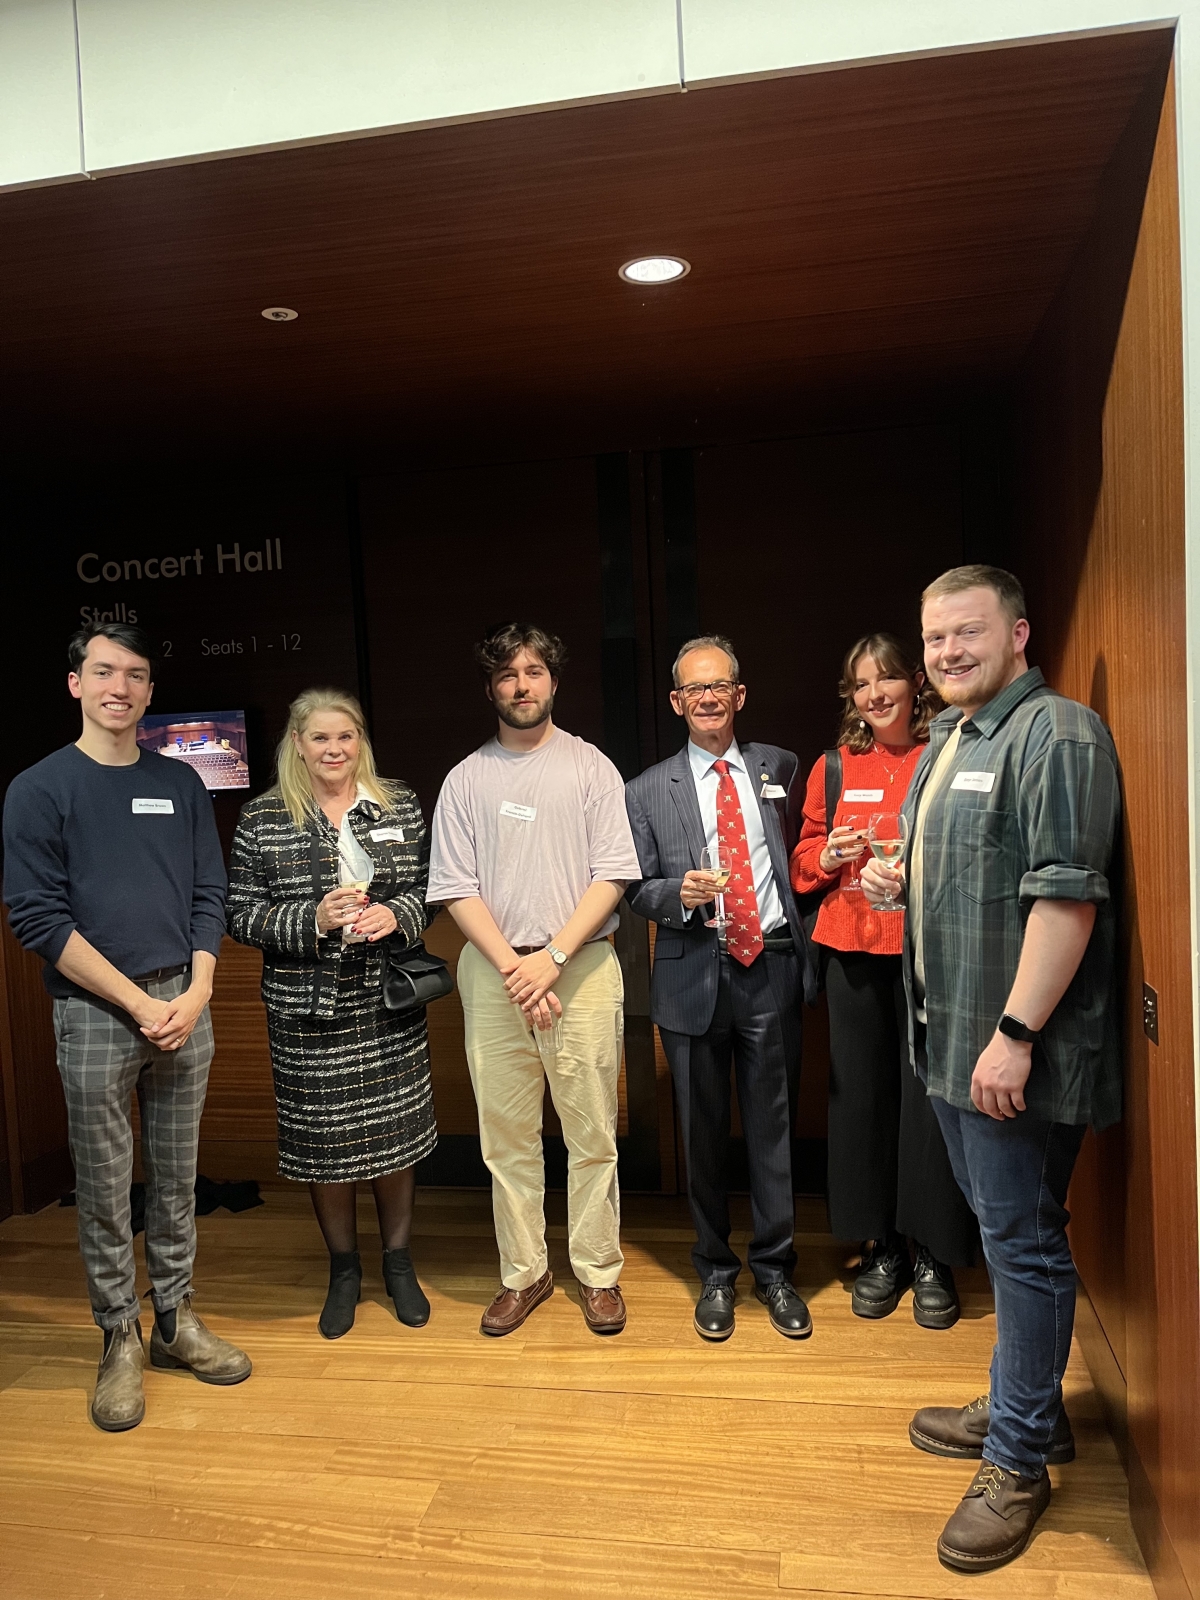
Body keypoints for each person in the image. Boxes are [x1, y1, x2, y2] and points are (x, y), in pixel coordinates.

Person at [861, 566, 1121, 1575]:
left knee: (1023, 1246)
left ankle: (1019, 1458)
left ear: (1019, 631)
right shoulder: (951, 739)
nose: (947, 653)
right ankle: (1034, 1406)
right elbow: (963, 872)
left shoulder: (1058, 733)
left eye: (966, 633)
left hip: (1010, 1052)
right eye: (933, 639)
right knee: (1013, 1236)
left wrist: (1014, 1031)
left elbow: (1067, 900)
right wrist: (897, 876)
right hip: (949, 1043)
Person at [1, 621, 251, 1433]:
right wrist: (138, 1003)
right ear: (75, 683)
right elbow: (37, 918)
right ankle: (119, 1337)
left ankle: (175, 1319)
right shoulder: (38, 789)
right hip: (99, 1014)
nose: (121, 687)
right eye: (104, 672)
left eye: (136, 675)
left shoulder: (180, 784)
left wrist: (198, 989)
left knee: (177, 1178)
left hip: (185, 1005)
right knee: (108, 1192)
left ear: (149, 690)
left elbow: (207, 896)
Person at [427, 623, 641, 1337]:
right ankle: (525, 1272)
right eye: (508, 675)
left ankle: (597, 1272)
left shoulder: (591, 768)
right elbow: (456, 888)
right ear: (491, 687)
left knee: (592, 1133)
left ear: (554, 680)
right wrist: (517, 966)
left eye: (534, 671)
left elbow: (612, 874)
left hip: (580, 967)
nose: (522, 685)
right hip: (493, 974)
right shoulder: (466, 779)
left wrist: (550, 957)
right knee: (507, 1138)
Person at [227, 688, 437, 1340]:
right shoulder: (262, 819)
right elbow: (241, 915)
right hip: (306, 1013)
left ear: (360, 742)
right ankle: (344, 1269)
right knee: (325, 1149)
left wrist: (395, 915)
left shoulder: (397, 803)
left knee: (394, 1140)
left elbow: (431, 885)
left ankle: (398, 1263)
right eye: (320, 738)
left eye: (345, 737)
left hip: (387, 1000)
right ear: (298, 743)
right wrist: (311, 919)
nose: (334, 749)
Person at [624, 635, 813, 1343]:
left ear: (740, 695)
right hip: (694, 973)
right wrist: (679, 892)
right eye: (693, 689)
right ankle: (714, 1271)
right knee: (701, 1136)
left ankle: (775, 1269)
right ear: (677, 702)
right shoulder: (645, 789)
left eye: (720, 686)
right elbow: (636, 887)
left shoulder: (780, 768)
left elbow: (799, 851)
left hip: (771, 968)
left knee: (774, 1131)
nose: (707, 698)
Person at [790, 633, 976, 1328]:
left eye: (887, 679)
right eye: (862, 684)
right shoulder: (835, 766)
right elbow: (803, 861)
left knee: (929, 1103)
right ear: (852, 697)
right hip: (852, 951)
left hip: (929, 952)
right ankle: (882, 1249)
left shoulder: (948, 751)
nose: (875, 694)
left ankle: (932, 1251)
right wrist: (831, 853)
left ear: (914, 681)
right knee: (862, 1102)